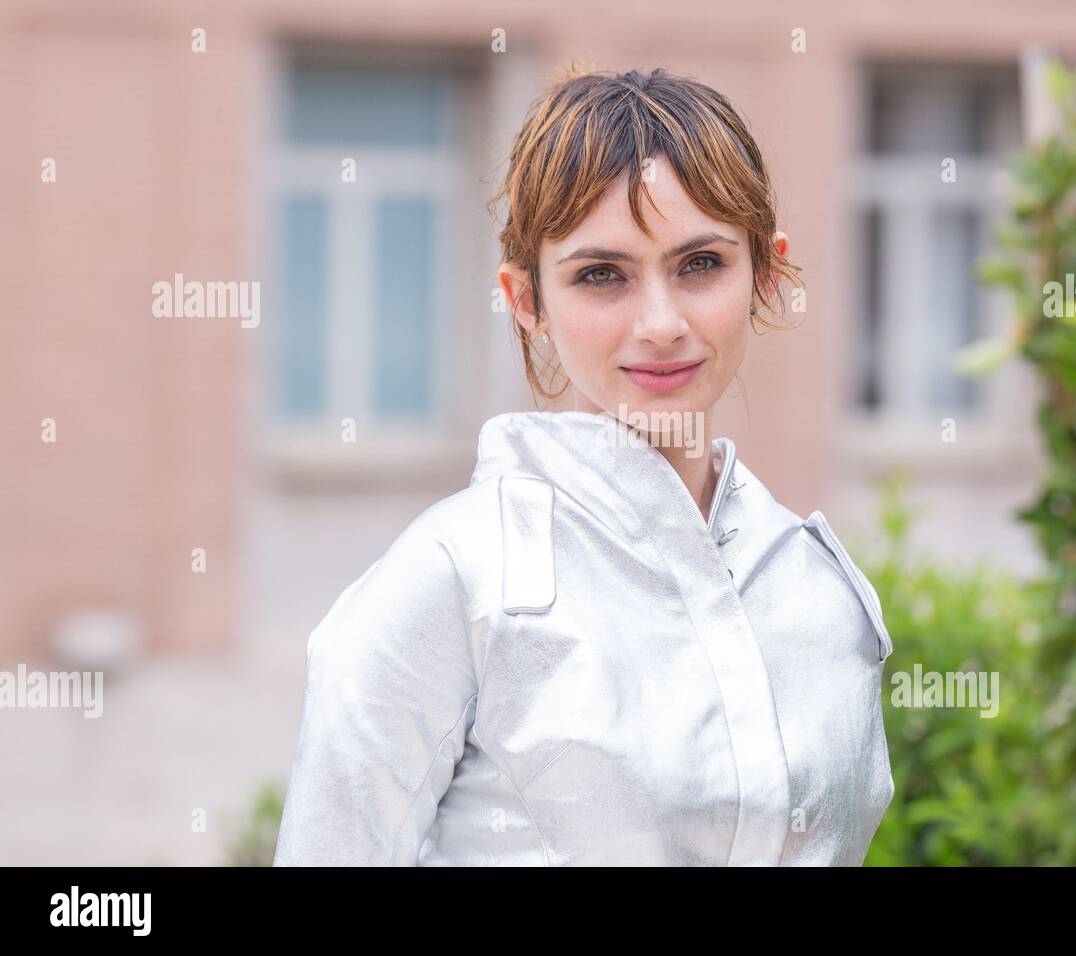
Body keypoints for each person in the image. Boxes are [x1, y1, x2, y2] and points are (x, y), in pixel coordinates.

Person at [273, 65, 894, 867]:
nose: (662, 323)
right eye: (602, 275)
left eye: (700, 263)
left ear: (764, 274)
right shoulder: (455, 580)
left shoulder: (815, 587)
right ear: (525, 298)